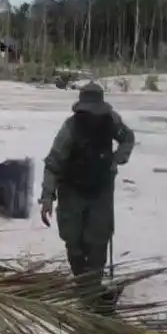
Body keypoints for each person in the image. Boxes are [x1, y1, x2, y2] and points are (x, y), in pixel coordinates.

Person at [39, 82, 135, 292]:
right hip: (72, 188)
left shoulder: (111, 121)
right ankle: (82, 280)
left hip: (101, 188)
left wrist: (119, 157)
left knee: (98, 239)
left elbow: (128, 138)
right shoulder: (70, 128)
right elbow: (53, 164)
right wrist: (47, 196)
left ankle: (92, 287)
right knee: (73, 240)